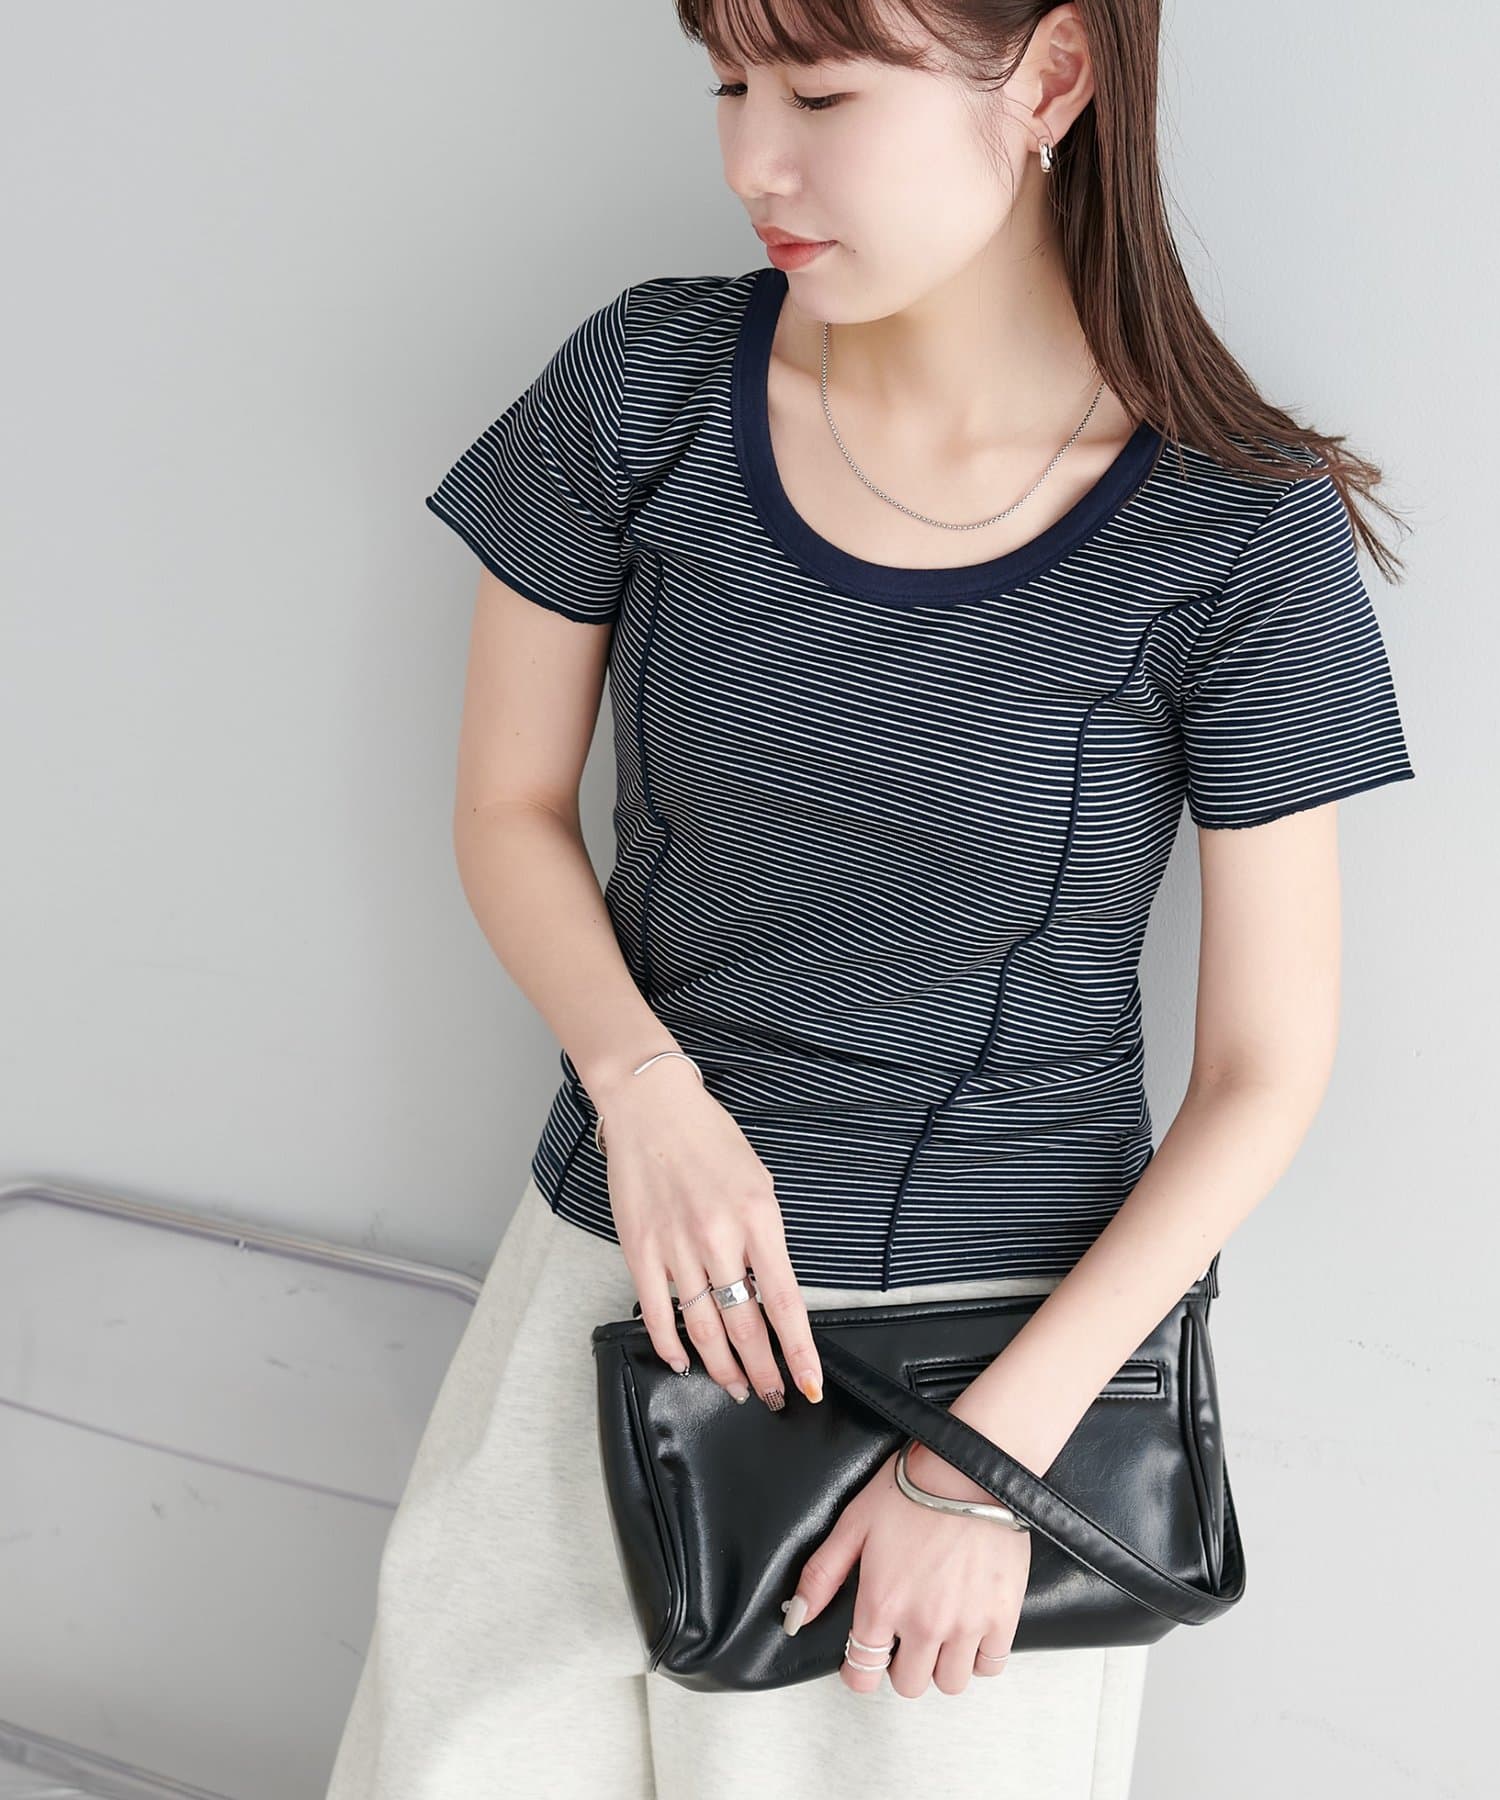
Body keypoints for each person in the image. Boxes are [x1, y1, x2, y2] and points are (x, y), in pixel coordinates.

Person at [324, 2, 1416, 1795]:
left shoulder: (1238, 532)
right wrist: (646, 1092)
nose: (755, 157)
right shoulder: (646, 384)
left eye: (824, 93)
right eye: (729, 84)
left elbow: (1263, 1077)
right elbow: (508, 809)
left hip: (980, 1373)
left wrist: (986, 1471)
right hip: (610, 1279)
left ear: (1051, 80)